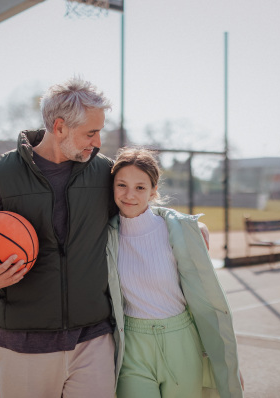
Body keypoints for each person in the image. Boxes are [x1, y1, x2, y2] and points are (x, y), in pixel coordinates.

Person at [0, 77, 119, 398]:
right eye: (90, 132)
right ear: (59, 127)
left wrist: (186, 226)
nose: (97, 141)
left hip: (94, 338)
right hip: (24, 341)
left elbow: (141, 210)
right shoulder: (2, 174)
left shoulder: (105, 173)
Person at [105, 147, 244, 398]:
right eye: (121, 185)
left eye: (140, 187)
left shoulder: (181, 232)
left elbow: (208, 302)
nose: (129, 195)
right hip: (133, 348)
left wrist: (226, 363)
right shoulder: (105, 236)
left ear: (153, 191)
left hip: (181, 342)